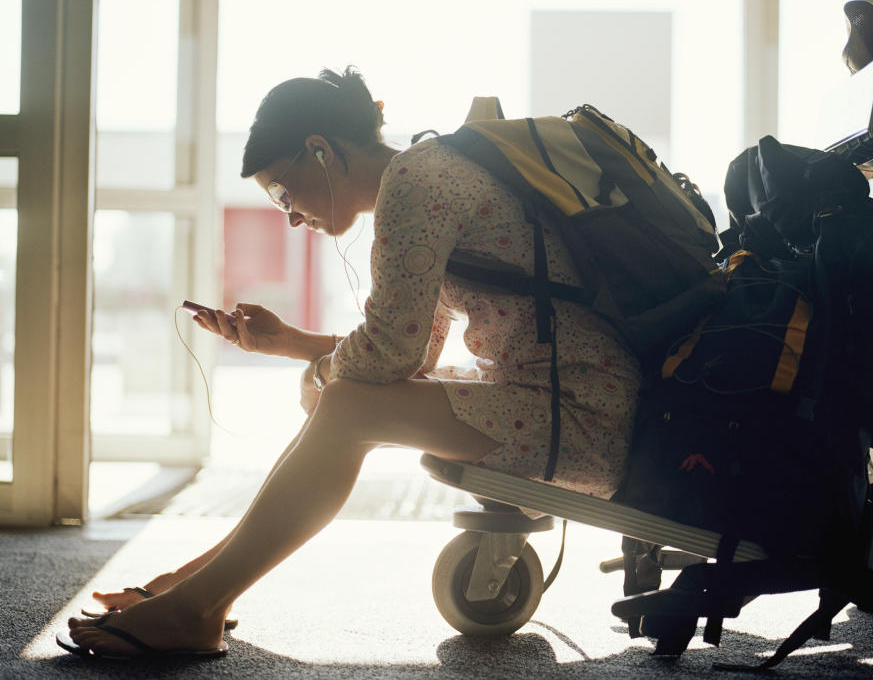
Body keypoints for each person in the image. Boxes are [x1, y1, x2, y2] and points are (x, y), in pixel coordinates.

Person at [60, 67, 643, 659]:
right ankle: (198, 588)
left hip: (586, 418)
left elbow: (389, 354)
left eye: (282, 194)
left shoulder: (418, 182)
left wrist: (317, 376)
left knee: (345, 405)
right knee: (345, 401)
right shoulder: (430, 171)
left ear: (321, 151)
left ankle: (197, 605)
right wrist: (288, 342)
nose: (288, 216)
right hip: (560, 403)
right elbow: (413, 351)